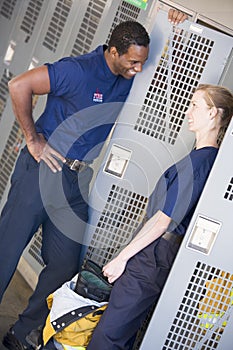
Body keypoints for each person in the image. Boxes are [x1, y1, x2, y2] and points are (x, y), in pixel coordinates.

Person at [0, 9, 187, 350]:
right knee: (6, 251)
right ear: (113, 52)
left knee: (64, 264)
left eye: (141, 63)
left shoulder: (128, 75)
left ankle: (22, 334)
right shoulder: (78, 70)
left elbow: (164, 73)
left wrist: (177, 30)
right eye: (132, 62)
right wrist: (33, 139)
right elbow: (19, 85)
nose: (138, 69)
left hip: (73, 179)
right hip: (40, 172)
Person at [87, 84, 233, 350]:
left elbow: (163, 221)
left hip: (150, 259)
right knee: (120, 335)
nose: (188, 112)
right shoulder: (202, 159)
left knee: (107, 337)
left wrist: (121, 258)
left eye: (195, 106)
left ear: (213, 113)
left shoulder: (200, 163)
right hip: (152, 256)